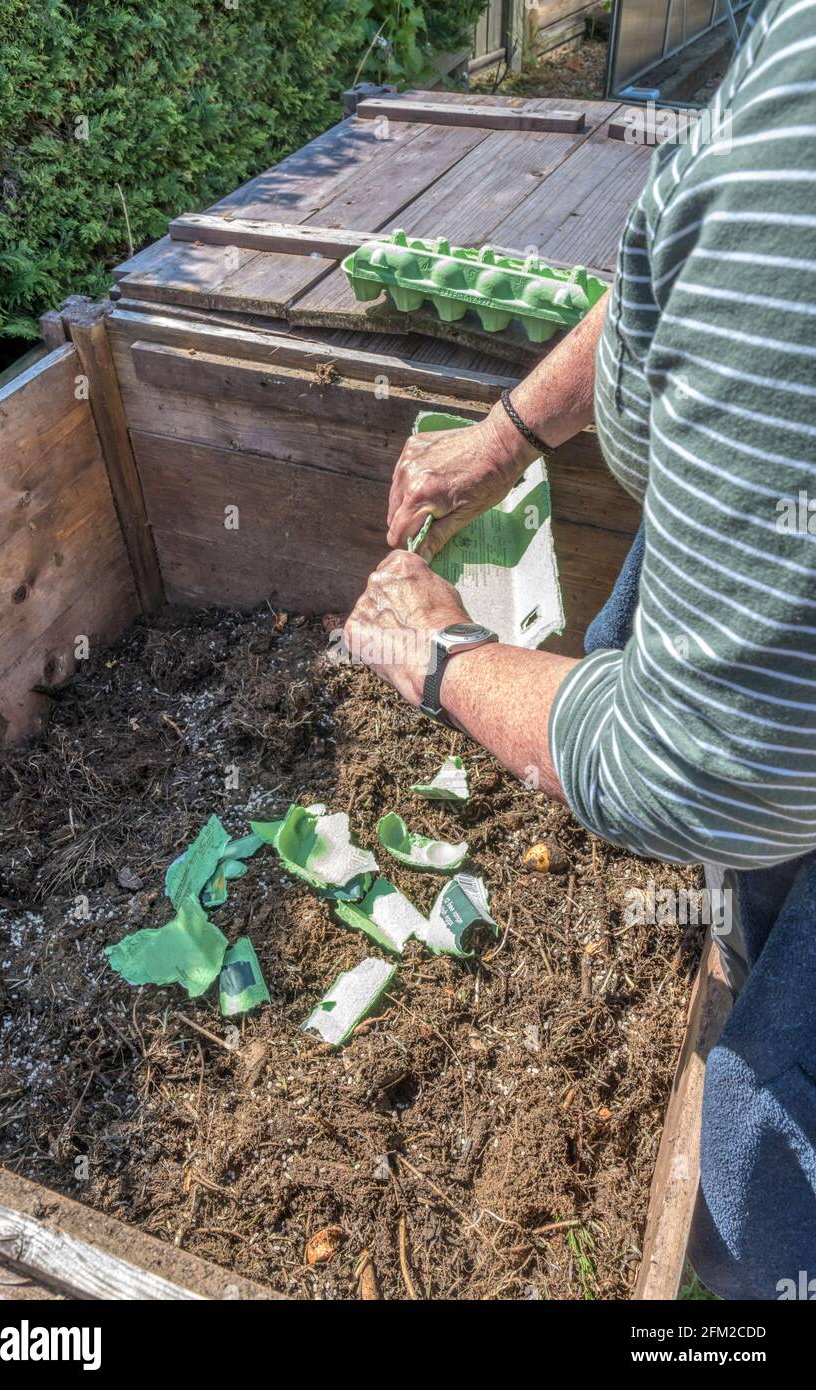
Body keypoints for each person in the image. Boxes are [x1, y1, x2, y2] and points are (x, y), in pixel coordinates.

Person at [344, 0, 816, 1299]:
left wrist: (438, 653)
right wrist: (503, 431)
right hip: (781, 735)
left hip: (761, 762)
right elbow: (712, 248)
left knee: (761, 1168)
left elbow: (705, 762)